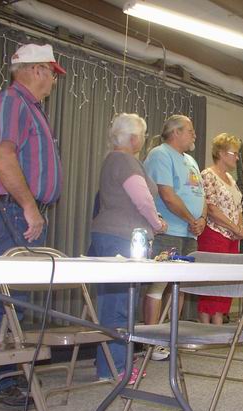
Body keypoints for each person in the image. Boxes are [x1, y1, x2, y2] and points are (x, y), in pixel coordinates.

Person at [0, 43, 66, 407]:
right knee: (8, 299)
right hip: (14, 212)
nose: (52, 81)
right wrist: (30, 207)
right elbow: (2, 156)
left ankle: (10, 376)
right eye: (51, 73)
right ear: (36, 70)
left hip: (21, 212)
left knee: (17, 299)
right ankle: (1, 382)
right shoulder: (12, 102)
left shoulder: (31, 108)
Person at [90, 113, 167, 383]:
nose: (143, 141)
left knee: (113, 304)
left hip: (110, 235)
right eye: (143, 136)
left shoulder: (112, 159)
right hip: (120, 238)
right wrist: (157, 223)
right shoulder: (125, 160)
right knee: (121, 305)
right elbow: (142, 199)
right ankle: (117, 368)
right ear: (134, 138)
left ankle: (108, 366)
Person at [142, 115, 206, 360]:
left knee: (179, 286)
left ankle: (172, 336)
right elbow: (167, 194)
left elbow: (200, 194)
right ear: (176, 132)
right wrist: (192, 219)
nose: (194, 135)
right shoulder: (160, 154)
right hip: (168, 231)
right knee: (158, 285)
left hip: (190, 232)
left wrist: (201, 220)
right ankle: (153, 340)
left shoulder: (190, 160)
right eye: (190, 130)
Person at [197, 133, 243, 324]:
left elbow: (238, 206)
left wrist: (240, 227)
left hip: (232, 238)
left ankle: (218, 325)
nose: (237, 157)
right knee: (211, 282)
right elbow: (210, 207)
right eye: (234, 153)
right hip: (214, 234)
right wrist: (234, 227)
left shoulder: (230, 179)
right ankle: (205, 328)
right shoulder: (208, 175)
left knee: (226, 281)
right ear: (220, 153)